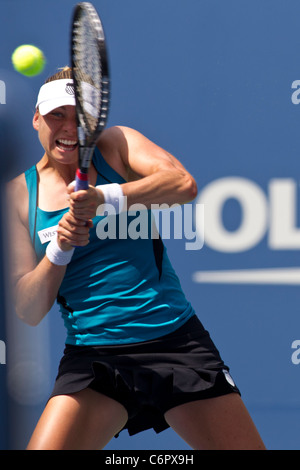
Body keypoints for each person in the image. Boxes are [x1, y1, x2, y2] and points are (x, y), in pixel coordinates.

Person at [7, 66, 265, 450]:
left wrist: (106, 198)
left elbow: (183, 184)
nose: (68, 127)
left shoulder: (116, 144)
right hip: (93, 358)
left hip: (176, 343)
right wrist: (59, 248)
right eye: (57, 115)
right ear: (36, 118)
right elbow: (26, 309)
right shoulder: (16, 196)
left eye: (81, 117)